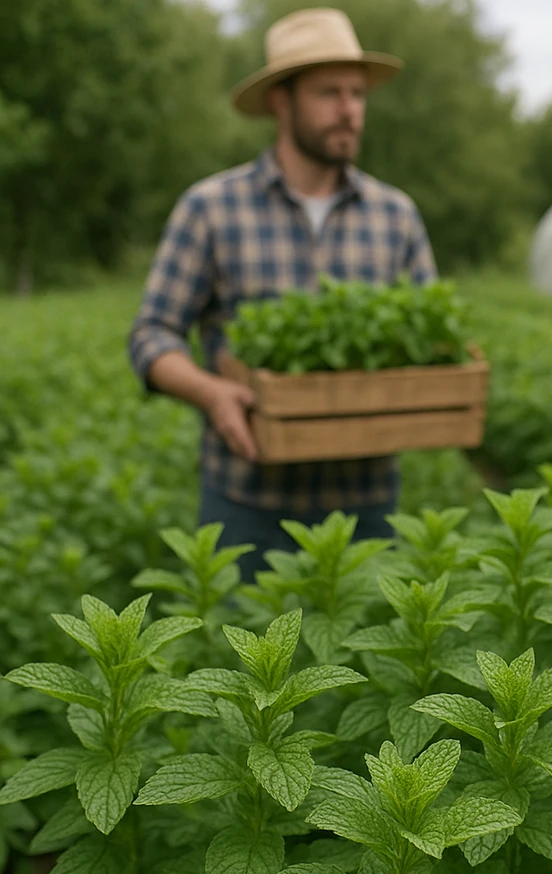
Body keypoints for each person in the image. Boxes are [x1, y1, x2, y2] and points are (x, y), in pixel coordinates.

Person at [128, 8, 437, 579]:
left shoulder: (396, 216)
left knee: (361, 668)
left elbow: (432, 342)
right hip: (247, 503)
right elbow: (151, 335)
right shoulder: (212, 208)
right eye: (329, 93)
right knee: (241, 666)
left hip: (364, 507)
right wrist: (212, 393)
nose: (350, 110)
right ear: (281, 101)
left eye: (357, 93)